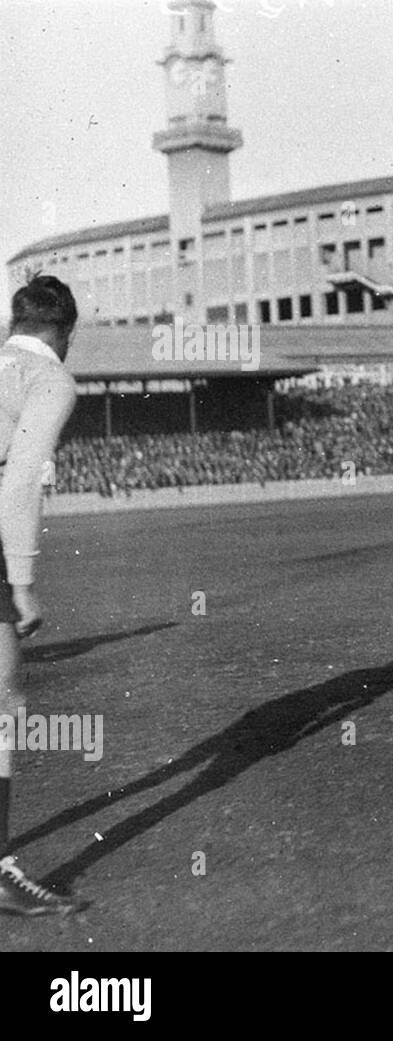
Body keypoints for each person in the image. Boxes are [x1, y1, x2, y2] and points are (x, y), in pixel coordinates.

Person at [0, 275, 87, 916]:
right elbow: (24, 475)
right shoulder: (49, 377)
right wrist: (22, 581)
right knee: (3, 693)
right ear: (64, 331)